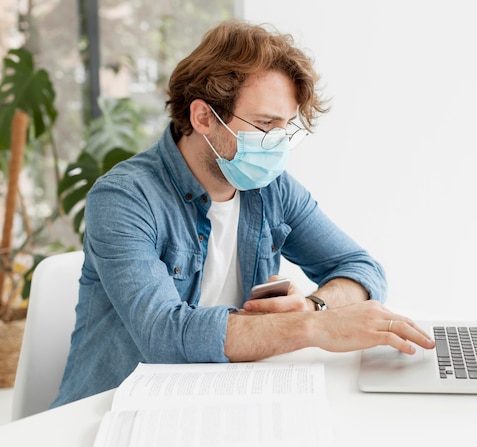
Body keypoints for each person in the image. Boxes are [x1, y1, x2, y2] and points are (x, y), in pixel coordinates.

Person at [52, 19, 434, 408]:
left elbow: (360, 268)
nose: (277, 144)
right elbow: (164, 334)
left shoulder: (272, 189)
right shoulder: (125, 197)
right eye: (265, 125)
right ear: (203, 117)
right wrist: (313, 327)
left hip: (221, 398)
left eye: (285, 128)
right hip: (110, 412)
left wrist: (314, 306)